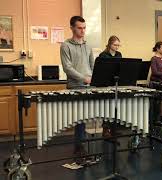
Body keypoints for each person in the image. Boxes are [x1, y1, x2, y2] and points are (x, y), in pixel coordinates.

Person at [60, 16, 94, 160]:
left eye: (84, 28)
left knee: (84, 118)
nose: (83, 31)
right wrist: (83, 78)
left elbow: (92, 65)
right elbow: (68, 68)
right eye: (79, 28)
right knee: (80, 120)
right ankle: (79, 148)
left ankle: (81, 146)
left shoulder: (88, 46)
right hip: (75, 86)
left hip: (89, 86)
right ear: (72, 28)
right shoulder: (65, 45)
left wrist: (94, 79)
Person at [150, 41, 162, 123]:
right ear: (157, 49)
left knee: (159, 104)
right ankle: (152, 122)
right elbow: (155, 72)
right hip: (155, 83)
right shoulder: (154, 59)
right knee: (154, 104)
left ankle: (158, 121)